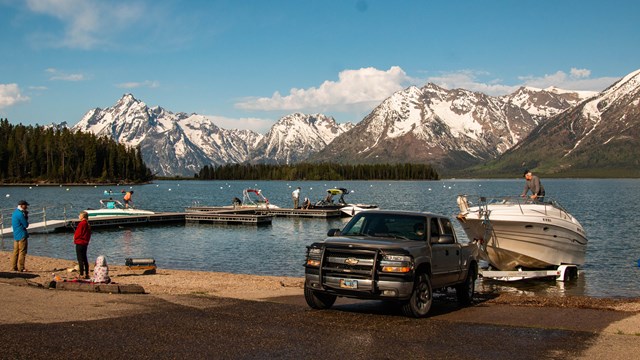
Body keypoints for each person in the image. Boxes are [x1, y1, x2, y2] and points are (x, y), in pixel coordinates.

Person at [10, 200, 29, 272]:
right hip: (22, 234)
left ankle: (13, 267)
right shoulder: (21, 214)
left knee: (15, 251)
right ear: (22, 205)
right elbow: (26, 225)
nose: (26, 207)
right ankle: (21, 268)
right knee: (22, 251)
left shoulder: (15, 213)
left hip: (16, 234)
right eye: (25, 205)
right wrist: (26, 216)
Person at [73, 211, 92, 279]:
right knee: (85, 258)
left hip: (80, 242)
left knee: (80, 259)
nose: (78, 216)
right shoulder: (87, 224)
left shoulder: (82, 223)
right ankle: (86, 273)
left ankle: (81, 274)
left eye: (79, 215)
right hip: (85, 243)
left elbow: (78, 233)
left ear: (82, 217)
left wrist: (75, 239)